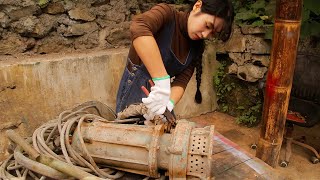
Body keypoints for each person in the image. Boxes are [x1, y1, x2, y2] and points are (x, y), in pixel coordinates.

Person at [116, 0, 234, 120]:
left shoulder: (197, 47)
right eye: (208, 26)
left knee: (165, 131)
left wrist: (167, 105)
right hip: (136, 86)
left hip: (163, 96)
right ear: (197, 6)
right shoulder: (166, 14)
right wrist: (161, 81)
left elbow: (181, 81)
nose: (205, 34)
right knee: (131, 133)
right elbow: (139, 27)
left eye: (212, 33)